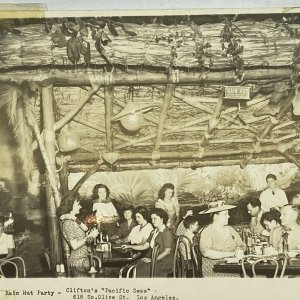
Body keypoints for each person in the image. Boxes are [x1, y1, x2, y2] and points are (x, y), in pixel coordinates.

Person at [122, 208, 174, 277]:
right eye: (152, 219)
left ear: (162, 219)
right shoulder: (154, 232)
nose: (153, 221)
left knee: (140, 269)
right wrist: (129, 246)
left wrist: (152, 260)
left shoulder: (166, 232)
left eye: (155, 218)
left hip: (163, 261)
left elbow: (167, 251)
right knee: (137, 265)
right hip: (153, 257)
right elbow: (145, 246)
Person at [199, 201, 246, 277]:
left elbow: (242, 245)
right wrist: (232, 254)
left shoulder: (230, 229)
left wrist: (240, 250)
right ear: (215, 216)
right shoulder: (207, 231)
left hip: (233, 269)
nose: (228, 216)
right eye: (225, 214)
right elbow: (206, 252)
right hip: (214, 272)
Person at [57, 193, 99, 277]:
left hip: (84, 258)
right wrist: (90, 236)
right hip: (78, 261)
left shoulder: (72, 220)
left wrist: (74, 217)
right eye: (78, 204)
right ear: (70, 205)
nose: (80, 207)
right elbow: (74, 246)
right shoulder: (68, 223)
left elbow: (85, 229)